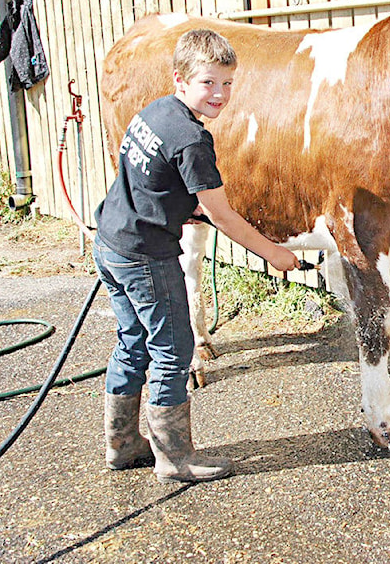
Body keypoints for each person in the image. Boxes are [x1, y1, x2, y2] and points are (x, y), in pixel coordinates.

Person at [93, 29, 298, 483]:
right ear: (180, 79)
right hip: (146, 255)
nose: (220, 94)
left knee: (132, 340)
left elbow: (149, 180)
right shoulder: (193, 141)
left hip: (111, 241)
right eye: (209, 83)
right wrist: (274, 253)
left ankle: (122, 444)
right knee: (173, 348)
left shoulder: (154, 111)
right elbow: (222, 215)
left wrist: (182, 204)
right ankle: (174, 457)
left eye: (227, 83)